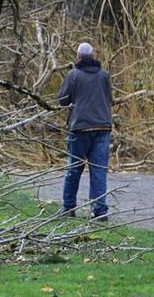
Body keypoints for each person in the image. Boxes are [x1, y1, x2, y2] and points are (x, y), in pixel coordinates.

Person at [58, 42, 112, 220]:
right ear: (93, 55)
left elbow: (63, 100)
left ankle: (68, 207)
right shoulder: (104, 75)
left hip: (80, 128)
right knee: (98, 170)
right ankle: (99, 210)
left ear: (78, 56)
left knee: (74, 169)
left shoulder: (73, 75)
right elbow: (109, 99)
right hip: (103, 127)